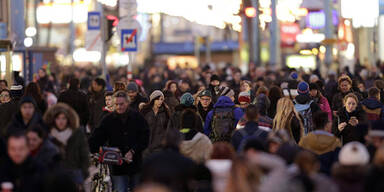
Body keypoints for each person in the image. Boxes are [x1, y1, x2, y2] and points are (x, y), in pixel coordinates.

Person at [89, 91, 149, 192]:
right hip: (118, 167)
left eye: (121, 104)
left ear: (127, 103)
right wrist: (94, 149)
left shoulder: (137, 118)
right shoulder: (108, 119)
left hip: (135, 164)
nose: (119, 107)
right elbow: (97, 137)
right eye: (116, 104)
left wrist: (133, 151)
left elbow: (145, 137)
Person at [43, 103, 90, 188]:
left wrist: (84, 174)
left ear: (68, 120)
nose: (61, 121)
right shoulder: (47, 135)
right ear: (54, 120)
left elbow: (84, 155)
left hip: (74, 174)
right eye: (58, 118)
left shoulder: (77, 134)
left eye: (64, 118)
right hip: (53, 176)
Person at [140, 90, 171, 156]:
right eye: (158, 99)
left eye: (161, 99)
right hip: (146, 146)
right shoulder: (145, 112)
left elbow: (168, 129)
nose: (160, 101)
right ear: (153, 100)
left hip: (159, 147)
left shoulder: (165, 112)